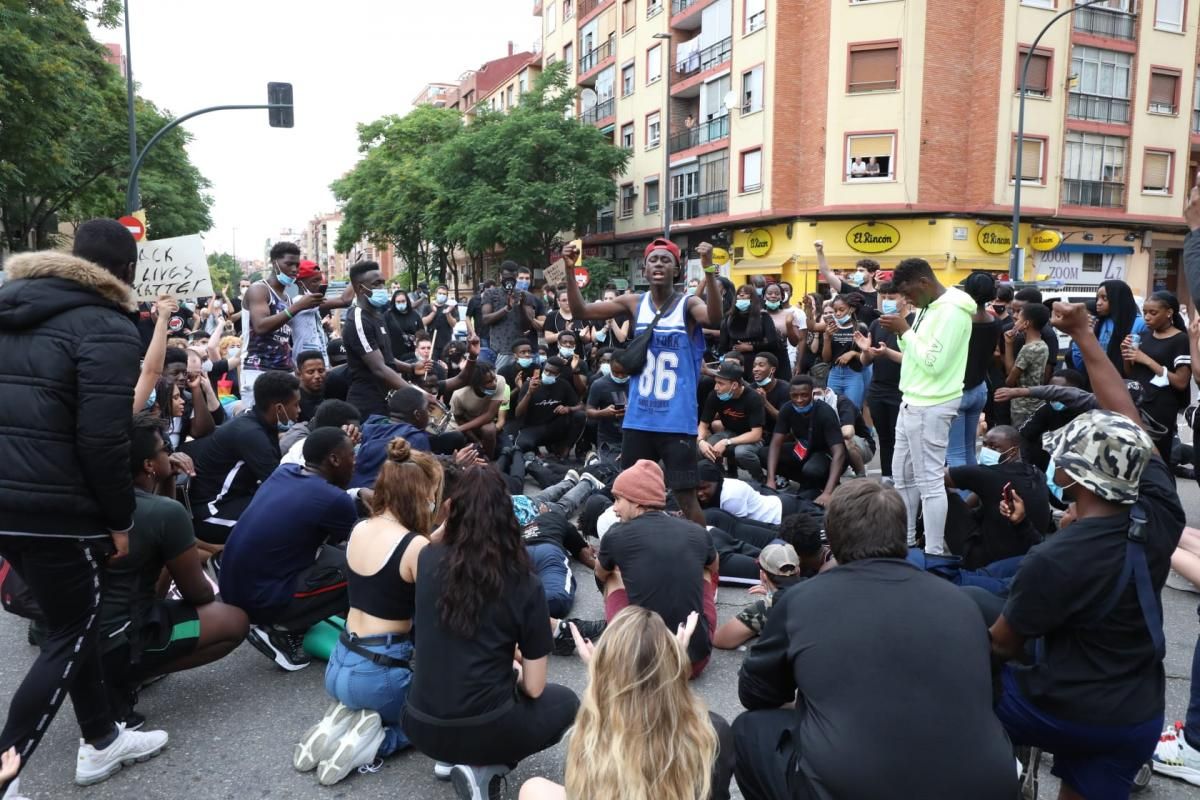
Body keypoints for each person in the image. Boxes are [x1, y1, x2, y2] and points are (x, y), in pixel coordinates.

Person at [986, 300, 1185, 800]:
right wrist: (1085, 336)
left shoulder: (1054, 558)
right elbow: (1128, 420)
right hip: (1136, 715)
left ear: (1069, 476)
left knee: (962, 670)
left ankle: (998, 765)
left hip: (1057, 712)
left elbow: (1003, 645)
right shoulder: (1160, 512)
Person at [0, 219, 170, 791]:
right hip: (56, 507)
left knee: (72, 620)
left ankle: (102, 738)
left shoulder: (6, 303)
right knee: (72, 627)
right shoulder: (107, 325)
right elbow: (104, 439)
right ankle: (6, 765)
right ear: (126, 273)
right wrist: (120, 519)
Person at [733, 481, 1017, 800]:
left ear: (833, 541)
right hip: (985, 784)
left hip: (853, 785)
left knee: (749, 729)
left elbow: (756, 693)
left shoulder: (800, 601)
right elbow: (991, 697)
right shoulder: (963, 603)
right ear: (901, 535)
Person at [402, 466, 580, 799]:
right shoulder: (524, 582)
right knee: (566, 702)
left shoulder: (427, 559)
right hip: (483, 729)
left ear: (450, 510)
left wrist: (448, 517)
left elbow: (434, 540)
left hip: (419, 724)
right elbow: (535, 686)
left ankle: (451, 758)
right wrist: (510, 673)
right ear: (508, 516)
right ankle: (483, 767)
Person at [295, 438, 441, 786]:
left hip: (341, 664)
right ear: (418, 493)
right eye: (431, 492)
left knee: (374, 696)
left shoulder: (360, 528)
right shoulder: (415, 546)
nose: (433, 501)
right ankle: (378, 741)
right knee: (436, 717)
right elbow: (438, 611)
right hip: (381, 675)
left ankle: (342, 722)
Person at [100, 414, 248, 726]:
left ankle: (122, 672)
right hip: (116, 640)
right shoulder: (166, 513)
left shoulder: (93, 496)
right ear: (149, 465)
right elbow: (198, 592)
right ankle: (130, 676)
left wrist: (167, 482)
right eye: (164, 448)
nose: (170, 452)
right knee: (232, 620)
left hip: (66, 640)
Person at [564, 238, 723, 526]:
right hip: (639, 419)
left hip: (676, 421)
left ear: (677, 270)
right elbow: (581, 312)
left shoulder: (688, 304)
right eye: (653, 260)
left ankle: (704, 561)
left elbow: (714, 318)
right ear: (645, 270)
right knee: (628, 492)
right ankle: (632, 550)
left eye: (665, 259)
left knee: (686, 498)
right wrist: (569, 268)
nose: (659, 263)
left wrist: (710, 268)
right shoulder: (634, 303)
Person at [519, 607, 734, 800]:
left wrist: (600, 675)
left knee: (533, 788)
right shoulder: (712, 731)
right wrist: (674, 665)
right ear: (675, 666)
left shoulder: (590, 734)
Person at [219, 427, 358, 672]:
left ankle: (294, 617)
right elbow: (364, 545)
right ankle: (282, 630)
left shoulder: (285, 472)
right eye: (352, 456)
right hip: (259, 600)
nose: (355, 462)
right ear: (334, 459)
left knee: (334, 556)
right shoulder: (335, 500)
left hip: (232, 589)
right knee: (362, 568)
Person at [589, 460, 719, 678]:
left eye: (618, 499)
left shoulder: (617, 534)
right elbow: (714, 567)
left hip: (641, 667)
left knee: (612, 574)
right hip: (693, 663)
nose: (614, 507)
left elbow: (600, 574)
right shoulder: (696, 531)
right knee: (705, 568)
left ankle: (619, 637)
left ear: (638, 503)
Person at [881, 257, 974, 554]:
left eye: (908, 292)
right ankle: (906, 540)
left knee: (929, 482)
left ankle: (933, 551)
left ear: (924, 282)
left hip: (932, 404)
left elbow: (934, 363)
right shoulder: (928, 308)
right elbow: (914, 354)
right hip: (913, 400)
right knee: (903, 477)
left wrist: (905, 331)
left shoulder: (952, 313)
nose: (906, 299)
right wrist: (903, 332)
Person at [188, 371, 301, 548]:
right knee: (287, 524)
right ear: (278, 408)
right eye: (295, 405)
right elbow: (280, 484)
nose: (299, 410)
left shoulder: (258, 419)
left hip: (236, 498)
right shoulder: (251, 434)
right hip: (213, 512)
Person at [943, 424, 1050, 568]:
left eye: (994, 447)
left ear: (1012, 452)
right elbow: (983, 490)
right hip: (1028, 551)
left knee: (942, 491)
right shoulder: (1036, 473)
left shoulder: (989, 475)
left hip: (985, 561)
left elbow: (938, 475)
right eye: (985, 445)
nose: (987, 451)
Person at [242, 242, 322, 407]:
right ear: (274, 263)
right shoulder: (259, 290)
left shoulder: (286, 298)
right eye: (289, 264)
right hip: (258, 370)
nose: (294, 269)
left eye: (297, 265)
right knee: (261, 425)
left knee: (287, 425)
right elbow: (261, 326)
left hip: (284, 371)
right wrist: (297, 307)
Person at [341, 262, 422, 419]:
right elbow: (378, 368)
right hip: (368, 403)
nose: (382, 289)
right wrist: (416, 394)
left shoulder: (377, 316)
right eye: (376, 284)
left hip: (384, 397)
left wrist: (411, 368)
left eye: (383, 284)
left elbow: (386, 359)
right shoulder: (358, 321)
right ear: (360, 288)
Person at [1123, 291, 1190, 460]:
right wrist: (1126, 354)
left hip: (1160, 409)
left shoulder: (1180, 339)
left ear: (1169, 313)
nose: (1147, 317)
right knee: (1135, 457)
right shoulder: (1144, 336)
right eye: (1144, 312)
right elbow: (1131, 373)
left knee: (1157, 459)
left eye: (1153, 313)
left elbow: (1181, 382)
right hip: (1138, 403)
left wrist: (1147, 360)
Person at [855, 281, 908, 481]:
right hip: (878, 389)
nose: (886, 301)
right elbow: (865, 361)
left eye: (891, 297)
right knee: (884, 437)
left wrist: (887, 352)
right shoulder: (877, 324)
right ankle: (887, 477)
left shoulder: (911, 324)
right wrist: (866, 350)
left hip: (902, 391)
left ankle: (903, 478)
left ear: (904, 298)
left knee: (901, 439)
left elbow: (914, 359)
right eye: (883, 297)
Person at [765, 376, 846, 503]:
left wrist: (827, 493)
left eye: (804, 395)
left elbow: (839, 452)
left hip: (824, 454)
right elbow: (776, 443)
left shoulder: (825, 412)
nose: (799, 400)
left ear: (812, 394)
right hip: (803, 449)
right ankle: (806, 482)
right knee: (763, 453)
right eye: (794, 396)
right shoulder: (787, 409)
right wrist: (770, 479)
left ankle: (828, 486)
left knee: (811, 469)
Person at [947, 272, 999, 468]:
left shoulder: (959, 321)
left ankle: (962, 497)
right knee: (969, 451)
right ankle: (973, 495)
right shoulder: (994, 321)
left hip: (957, 391)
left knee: (955, 456)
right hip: (979, 389)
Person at [712, 543, 807, 650]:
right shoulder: (816, 584)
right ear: (798, 570)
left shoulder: (768, 605)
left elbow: (721, 640)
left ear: (763, 575)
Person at [996, 369, 1090, 470]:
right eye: (1051, 392)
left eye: (1060, 392)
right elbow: (1024, 435)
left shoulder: (1090, 413)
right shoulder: (1048, 408)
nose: (1055, 396)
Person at [350, 387, 433, 488]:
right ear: (417, 415)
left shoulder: (370, 425)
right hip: (382, 499)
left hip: (353, 493)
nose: (429, 414)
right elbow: (418, 484)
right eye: (427, 409)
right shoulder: (416, 438)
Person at [698, 361, 766, 482]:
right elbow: (703, 425)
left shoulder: (753, 398)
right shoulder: (715, 395)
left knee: (742, 452)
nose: (716, 387)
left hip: (752, 438)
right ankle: (721, 478)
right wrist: (701, 441)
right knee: (708, 448)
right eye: (716, 382)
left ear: (734, 385)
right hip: (730, 432)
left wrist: (727, 442)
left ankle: (761, 479)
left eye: (720, 383)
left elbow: (756, 434)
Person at [1070, 279, 1143, 381]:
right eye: (1097, 298)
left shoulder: (1139, 323)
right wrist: (1082, 333)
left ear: (1118, 299)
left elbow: (1138, 367)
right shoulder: (1100, 322)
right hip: (1098, 380)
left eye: (1104, 298)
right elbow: (1080, 364)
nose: (1098, 303)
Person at [513, 356, 584, 459]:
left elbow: (581, 406)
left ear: (558, 374)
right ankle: (535, 452)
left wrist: (568, 408)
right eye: (546, 370)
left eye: (552, 373)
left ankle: (565, 450)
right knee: (522, 445)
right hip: (532, 427)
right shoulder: (529, 385)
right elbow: (518, 413)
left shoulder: (563, 385)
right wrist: (529, 393)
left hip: (554, 427)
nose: (547, 374)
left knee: (580, 416)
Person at [481, 262, 542, 370]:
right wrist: (507, 308)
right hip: (499, 351)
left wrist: (522, 305)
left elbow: (528, 325)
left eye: (513, 277)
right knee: (502, 382)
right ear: (500, 277)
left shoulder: (525, 295)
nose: (509, 281)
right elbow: (485, 319)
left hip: (521, 352)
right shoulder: (491, 293)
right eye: (506, 277)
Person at [1004, 301, 1051, 428]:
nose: (1015, 319)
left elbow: (1010, 380)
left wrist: (1008, 344)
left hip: (1022, 406)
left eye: (1019, 318)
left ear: (1026, 323)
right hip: (1036, 402)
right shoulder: (1042, 345)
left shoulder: (1028, 349)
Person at [815, 383, 875, 478]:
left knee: (847, 441)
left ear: (826, 391)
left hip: (863, 446)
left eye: (817, 393)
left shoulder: (841, 402)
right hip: (831, 445)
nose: (815, 397)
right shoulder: (807, 405)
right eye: (812, 395)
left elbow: (848, 433)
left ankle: (861, 476)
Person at [720, 284, 780, 378]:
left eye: (746, 293)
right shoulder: (729, 317)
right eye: (739, 294)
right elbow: (723, 344)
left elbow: (773, 343)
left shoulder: (763, 317)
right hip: (734, 363)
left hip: (757, 364)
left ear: (753, 298)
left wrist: (751, 347)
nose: (742, 296)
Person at [820, 294, 869, 409]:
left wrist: (853, 353)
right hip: (834, 374)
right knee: (832, 409)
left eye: (841, 310)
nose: (837, 314)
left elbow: (868, 356)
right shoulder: (831, 328)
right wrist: (827, 338)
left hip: (853, 374)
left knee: (853, 410)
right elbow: (826, 359)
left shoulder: (860, 328)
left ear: (851, 309)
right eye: (835, 310)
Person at [450, 361, 507, 458]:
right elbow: (459, 419)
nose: (494, 384)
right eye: (489, 382)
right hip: (467, 425)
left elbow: (490, 415)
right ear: (476, 384)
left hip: (482, 423)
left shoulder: (500, 381)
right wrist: (476, 440)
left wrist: (460, 429)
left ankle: (489, 460)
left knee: (489, 430)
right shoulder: (459, 395)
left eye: (494, 379)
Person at [584, 349, 629, 458]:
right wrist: (603, 413)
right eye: (616, 372)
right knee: (610, 469)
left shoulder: (639, 383)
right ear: (610, 367)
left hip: (633, 437)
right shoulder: (599, 384)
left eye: (624, 373)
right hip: (609, 439)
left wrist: (632, 410)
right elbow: (589, 411)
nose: (620, 376)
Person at [816, 241, 880, 311]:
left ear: (872, 273)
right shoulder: (850, 291)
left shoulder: (879, 296)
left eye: (861, 271)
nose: (857, 273)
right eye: (857, 270)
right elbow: (826, 273)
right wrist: (819, 252)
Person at [762, 283, 800, 379]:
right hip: (761, 358)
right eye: (770, 293)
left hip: (781, 359)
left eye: (777, 293)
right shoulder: (758, 314)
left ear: (782, 297)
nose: (773, 296)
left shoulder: (789, 315)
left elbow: (795, 342)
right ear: (764, 296)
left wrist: (789, 324)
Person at [544, 288, 589, 357]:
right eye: (564, 300)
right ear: (558, 301)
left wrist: (582, 336)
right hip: (556, 358)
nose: (567, 303)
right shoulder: (552, 316)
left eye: (570, 300)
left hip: (578, 358)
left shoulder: (581, 315)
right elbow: (548, 339)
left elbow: (588, 339)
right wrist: (564, 332)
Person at [750, 352, 790, 429]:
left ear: (772, 369)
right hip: (757, 433)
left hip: (779, 433)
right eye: (754, 366)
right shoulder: (751, 388)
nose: (755, 369)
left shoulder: (785, 389)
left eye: (761, 365)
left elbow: (784, 419)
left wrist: (764, 402)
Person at [384, 289, 422, 362]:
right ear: (394, 302)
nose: (401, 303)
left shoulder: (414, 315)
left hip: (412, 354)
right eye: (398, 302)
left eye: (403, 301)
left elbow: (421, 332)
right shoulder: (388, 315)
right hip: (394, 355)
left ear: (407, 301)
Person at [296, 350, 328, 423]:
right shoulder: (293, 402)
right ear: (299, 374)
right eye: (310, 372)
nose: (317, 376)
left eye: (321, 371)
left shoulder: (333, 390)